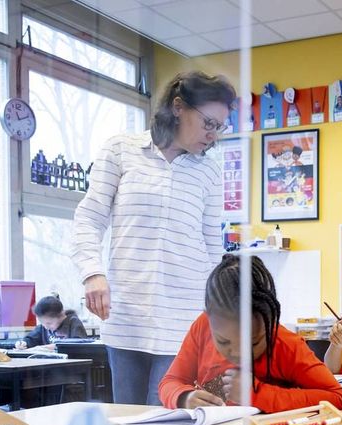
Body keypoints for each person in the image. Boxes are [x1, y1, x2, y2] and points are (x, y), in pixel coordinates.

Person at [72, 71, 235, 405]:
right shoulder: (121, 150)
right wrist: (92, 273)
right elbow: (89, 218)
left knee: (164, 423)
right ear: (178, 107)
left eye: (219, 127)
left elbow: (211, 248)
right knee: (129, 423)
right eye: (208, 123)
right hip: (126, 316)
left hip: (182, 320)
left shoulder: (209, 171)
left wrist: (218, 319)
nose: (212, 136)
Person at [159, 255, 342, 413]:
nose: (238, 354)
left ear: (270, 322)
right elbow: (171, 381)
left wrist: (257, 394)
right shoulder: (203, 326)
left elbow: (336, 398)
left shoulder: (286, 343)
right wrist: (184, 397)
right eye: (223, 342)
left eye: (253, 344)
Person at [15, 295, 89, 349]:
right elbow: (31, 339)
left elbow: (79, 344)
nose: (46, 327)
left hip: (71, 365)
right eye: (43, 323)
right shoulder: (43, 327)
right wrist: (23, 343)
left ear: (61, 316)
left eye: (49, 323)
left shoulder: (73, 323)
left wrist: (49, 347)